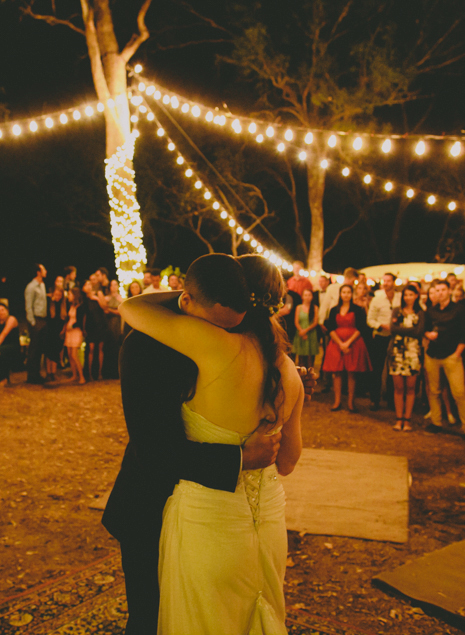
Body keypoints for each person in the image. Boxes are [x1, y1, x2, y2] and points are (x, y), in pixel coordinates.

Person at [116, 253, 304, 635]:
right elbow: (152, 450)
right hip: (166, 503)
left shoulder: (218, 347)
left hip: (208, 519)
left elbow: (130, 306)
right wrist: (240, 457)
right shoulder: (287, 371)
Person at [423, 279, 465, 441]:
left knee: (459, 392)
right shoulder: (430, 311)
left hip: (452, 356)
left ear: (449, 291)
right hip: (433, 355)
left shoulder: (459, 310)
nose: (440, 293)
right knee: (434, 391)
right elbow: (424, 329)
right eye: (437, 290)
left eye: (443, 290)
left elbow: (464, 335)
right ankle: (436, 422)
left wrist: (457, 354)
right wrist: (428, 335)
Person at [322, 284, 372, 412]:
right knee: (336, 372)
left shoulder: (357, 309)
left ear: (351, 294)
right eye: (343, 292)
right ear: (340, 294)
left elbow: (361, 327)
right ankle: (337, 401)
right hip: (337, 342)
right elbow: (331, 328)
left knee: (352, 373)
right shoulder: (334, 310)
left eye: (348, 292)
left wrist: (348, 343)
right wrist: (340, 343)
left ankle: (351, 402)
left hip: (353, 342)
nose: (346, 294)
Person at [389, 284, 424, 431]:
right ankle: (398, 418)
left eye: (411, 295)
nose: (408, 298)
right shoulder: (397, 311)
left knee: (410, 388)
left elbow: (419, 332)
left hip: (413, 353)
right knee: (398, 387)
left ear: (416, 296)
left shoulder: (421, 312)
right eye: (406, 295)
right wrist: (410, 330)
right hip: (397, 352)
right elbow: (393, 328)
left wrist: (403, 331)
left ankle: (407, 419)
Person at [367, 273, 400, 410]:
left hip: (395, 337)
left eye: (388, 281)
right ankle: (375, 399)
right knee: (377, 369)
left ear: (394, 282)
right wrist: (380, 325)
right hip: (380, 336)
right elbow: (370, 320)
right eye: (384, 281)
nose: (385, 283)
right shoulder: (377, 299)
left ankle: (392, 400)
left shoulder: (399, 298)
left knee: (394, 370)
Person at [24, 264, 48, 385]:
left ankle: (37, 374)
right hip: (36, 320)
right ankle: (31, 376)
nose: (46, 271)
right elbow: (28, 306)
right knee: (33, 349)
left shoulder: (42, 285)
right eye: (44, 269)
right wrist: (32, 322)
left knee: (39, 348)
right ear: (38, 272)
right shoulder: (31, 287)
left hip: (43, 319)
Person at [82, 279, 109, 381]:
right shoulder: (84, 299)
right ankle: (89, 373)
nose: (89, 286)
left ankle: (99, 373)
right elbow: (84, 315)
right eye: (87, 284)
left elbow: (105, 308)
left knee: (100, 349)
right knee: (91, 349)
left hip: (100, 324)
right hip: (91, 326)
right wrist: (84, 328)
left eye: (90, 284)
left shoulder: (98, 294)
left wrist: (97, 298)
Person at [43, 286, 68, 381]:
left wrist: (63, 330)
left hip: (59, 332)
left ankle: (53, 373)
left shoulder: (64, 305)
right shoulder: (49, 303)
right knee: (48, 352)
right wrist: (50, 299)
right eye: (56, 294)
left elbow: (66, 319)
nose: (58, 297)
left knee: (56, 352)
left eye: (59, 295)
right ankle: (48, 373)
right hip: (49, 331)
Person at [291, 287, 320, 369]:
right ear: (302, 296)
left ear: (312, 297)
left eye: (309, 295)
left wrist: (305, 331)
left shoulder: (315, 308)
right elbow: (296, 321)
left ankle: (310, 376)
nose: (307, 297)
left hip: (311, 333)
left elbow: (315, 322)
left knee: (310, 358)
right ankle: (301, 377)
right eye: (305, 295)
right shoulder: (298, 307)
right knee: (301, 358)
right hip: (300, 333)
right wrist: (301, 331)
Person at [64, 288, 87, 385]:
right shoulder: (71, 306)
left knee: (74, 354)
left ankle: (82, 376)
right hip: (69, 332)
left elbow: (80, 322)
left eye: (70, 294)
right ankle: (74, 375)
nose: (68, 296)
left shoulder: (80, 307)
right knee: (69, 354)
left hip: (76, 331)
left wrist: (72, 326)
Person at [104, 280, 124, 378]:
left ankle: (116, 372)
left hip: (117, 324)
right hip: (108, 324)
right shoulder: (106, 298)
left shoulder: (120, 298)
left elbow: (121, 312)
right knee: (108, 346)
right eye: (112, 285)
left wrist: (111, 311)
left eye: (116, 285)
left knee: (116, 346)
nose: (114, 287)